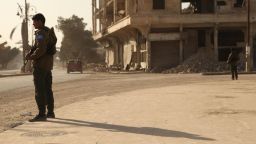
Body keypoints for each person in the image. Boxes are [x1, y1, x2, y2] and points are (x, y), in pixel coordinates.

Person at [25, 13, 55, 122]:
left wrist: (32, 57)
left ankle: (42, 114)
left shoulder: (41, 33)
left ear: (40, 21)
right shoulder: (48, 32)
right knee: (48, 89)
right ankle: (50, 112)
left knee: (39, 90)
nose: (33, 24)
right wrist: (31, 51)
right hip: (48, 65)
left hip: (40, 66)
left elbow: (41, 49)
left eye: (34, 21)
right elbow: (38, 47)